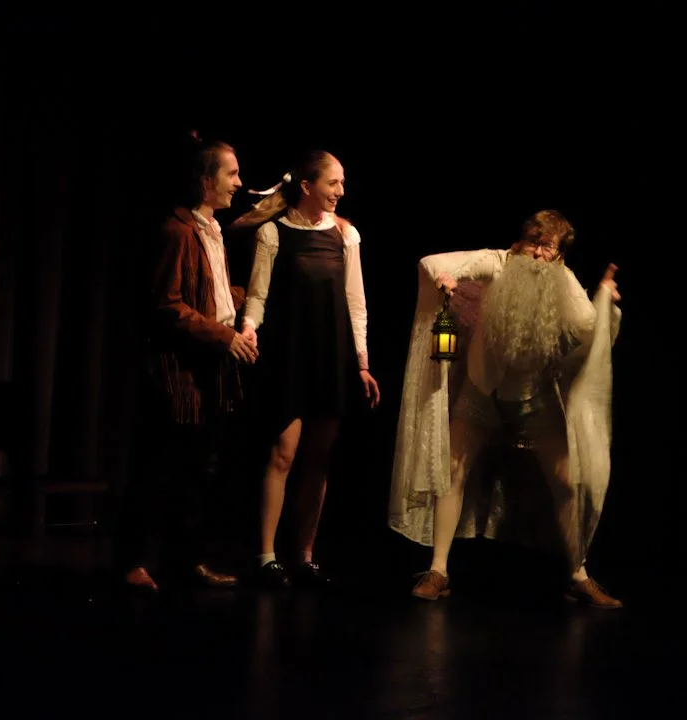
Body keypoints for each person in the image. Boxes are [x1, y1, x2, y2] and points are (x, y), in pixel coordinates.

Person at [388, 209, 625, 608]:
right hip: (484, 391)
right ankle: (439, 570)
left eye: (546, 247)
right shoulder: (497, 262)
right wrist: (445, 281)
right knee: (451, 471)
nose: (536, 254)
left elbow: (588, 329)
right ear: (520, 242)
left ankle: (578, 574)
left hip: (535, 397)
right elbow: (431, 263)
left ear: (559, 255)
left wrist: (604, 299)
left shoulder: (563, 282)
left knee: (567, 482)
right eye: (532, 242)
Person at [115, 131, 258, 592]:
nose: (238, 182)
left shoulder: (211, 230)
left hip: (209, 367)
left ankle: (186, 559)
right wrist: (223, 336)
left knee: (199, 468)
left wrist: (246, 315)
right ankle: (136, 560)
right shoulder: (177, 230)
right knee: (161, 464)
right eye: (230, 173)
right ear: (204, 179)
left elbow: (214, 292)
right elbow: (168, 304)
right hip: (179, 368)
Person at [230, 150, 380, 588]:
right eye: (333, 183)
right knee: (284, 454)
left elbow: (356, 304)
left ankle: (305, 555)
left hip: (332, 356)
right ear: (307, 186)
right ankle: (265, 555)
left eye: (342, 183)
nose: (341, 192)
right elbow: (257, 295)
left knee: (319, 458)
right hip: (290, 355)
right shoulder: (274, 235)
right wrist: (249, 327)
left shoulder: (345, 236)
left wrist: (362, 364)